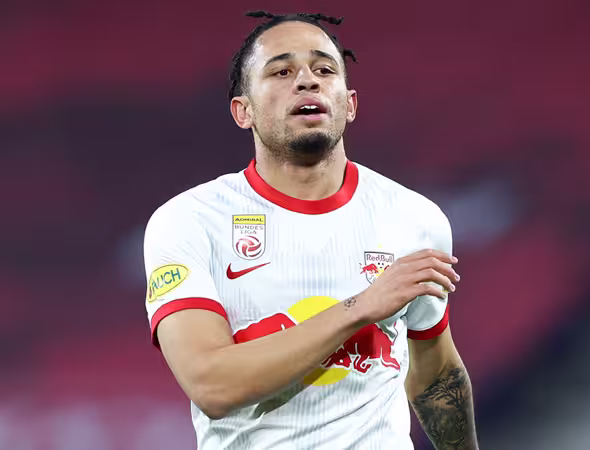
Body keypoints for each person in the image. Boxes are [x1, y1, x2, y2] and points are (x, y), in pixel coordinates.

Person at [142, 11, 478, 450]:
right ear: (243, 111)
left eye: (324, 69)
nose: (307, 81)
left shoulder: (415, 218)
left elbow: (435, 376)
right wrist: (360, 307)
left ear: (350, 104)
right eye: (281, 72)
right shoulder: (190, 220)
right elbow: (213, 386)